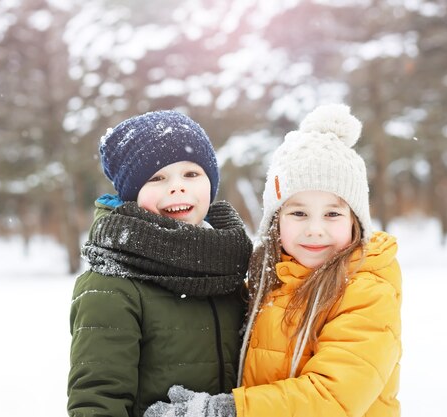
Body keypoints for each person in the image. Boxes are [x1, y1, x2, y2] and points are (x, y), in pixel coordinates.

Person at [144, 104, 402, 417]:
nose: (315, 229)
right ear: (276, 221)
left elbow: (333, 396)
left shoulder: (366, 291)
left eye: (332, 214)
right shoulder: (269, 279)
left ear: (355, 221)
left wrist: (227, 410)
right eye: (298, 213)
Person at [67, 110, 253, 417]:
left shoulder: (233, 265)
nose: (178, 187)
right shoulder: (111, 283)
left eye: (192, 174)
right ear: (131, 194)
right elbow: (98, 399)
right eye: (157, 178)